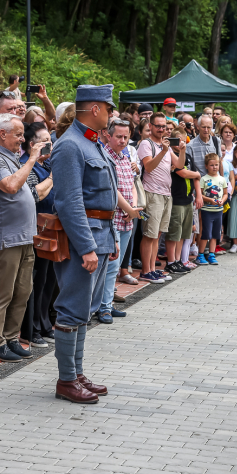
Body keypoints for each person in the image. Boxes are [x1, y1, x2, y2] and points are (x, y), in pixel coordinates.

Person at [49, 84, 118, 403]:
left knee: (84, 311)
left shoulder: (92, 142)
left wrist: (109, 240)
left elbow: (104, 196)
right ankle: (66, 380)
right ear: (94, 109)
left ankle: (75, 373)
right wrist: (87, 247)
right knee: (72, 308)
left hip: (100, 234)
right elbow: (69, 201)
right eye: (108, 107)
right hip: (84, 239)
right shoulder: (71, 146)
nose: (111, 113)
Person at [0, 115, 44, 361]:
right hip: (6, 238)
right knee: (3, 293)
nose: (22, 138)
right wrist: (33, 159)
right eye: (17, 134)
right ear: (2, 134)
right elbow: (11, 186)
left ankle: (11, 338)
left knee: (22, 291)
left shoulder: (12, 158)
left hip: (24, 237)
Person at [97, 118, 139, 323]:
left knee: (116, 265)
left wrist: (133, 209)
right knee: (109, 266)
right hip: (112, 218)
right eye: (119, 136)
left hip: (127, 217)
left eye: (126, 136)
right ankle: (102, 307)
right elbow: (112, 189)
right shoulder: (105, 156)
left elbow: (131, 185)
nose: (123, 140)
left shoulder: (125, 156)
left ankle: (107, 304)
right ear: (108, 135)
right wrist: (128, 209)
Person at [136, 112, 184, 284]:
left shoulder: (166, 145)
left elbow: (178, 165)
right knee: (149, 234)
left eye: (164, 126)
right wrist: (163, 151)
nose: (162, 129)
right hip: (152, 194)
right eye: (158, 126)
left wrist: (182, 150)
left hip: (166, 194)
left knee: (157, 234)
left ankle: (153, 270)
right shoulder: (146, 144)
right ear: (150, 125)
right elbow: (148, 167)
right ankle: (145, 271)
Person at [20, 123, 56, 345]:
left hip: (51, 228)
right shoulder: (28, 165)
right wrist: (53, 176)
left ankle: (43, 323)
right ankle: (31, 328)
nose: (49, 144)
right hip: (35, 229)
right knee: (34, 280)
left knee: (47, 280)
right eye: (45, 141)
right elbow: (37, 195)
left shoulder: (47, 163)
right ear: (32, 145)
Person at [164, 132, 201, 274]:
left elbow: (194, 176)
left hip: (187, 199)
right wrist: (196, 174)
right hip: (176, 199)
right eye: (177, 139)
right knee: (174, 232)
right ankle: (171, 261)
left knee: (183, 234)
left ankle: (178, 260)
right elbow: (183, 173)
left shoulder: (187, 156)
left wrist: (198, 195)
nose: (181, 142)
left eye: (183, 139)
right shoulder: (170, 155)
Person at [196, 153, 230, 264]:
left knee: (215, 234)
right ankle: (200, 255)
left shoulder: (222, 179)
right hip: (207, 211)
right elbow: (200, 195)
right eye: (211, 165)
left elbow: (225, 194)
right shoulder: (204, 179)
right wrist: (209, 200)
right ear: (206, 166)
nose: (214, 167)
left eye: (216, 165)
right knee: (206, 234)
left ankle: (211, 254)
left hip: (218, 211)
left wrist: (222, 200)